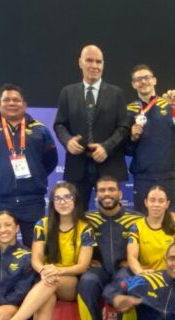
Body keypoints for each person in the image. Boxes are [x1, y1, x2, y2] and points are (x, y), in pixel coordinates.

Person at [0, 182, 97, 320]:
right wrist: (44, 270)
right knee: (45, 299)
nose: (63, 202)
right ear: (52, 202)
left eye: (67, 197)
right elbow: (36, 259)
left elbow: (82, 265)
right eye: (58, 198)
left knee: (51, 282)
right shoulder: (42, 224)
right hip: (48, 279)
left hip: (71, 281)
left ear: (75, 200)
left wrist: (56, 270)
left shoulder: (85, 227)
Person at [0, 84, 58, 247]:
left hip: (32, 202)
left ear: (24, 104)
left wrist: (35, 176)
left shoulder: (40, 129)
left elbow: (50, 161)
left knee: (36, 250)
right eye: (7, 100)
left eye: (16, 100)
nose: (12, 103)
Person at [54, 45, 130, 209]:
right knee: (75, 213)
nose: (94, 66)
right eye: (89, 60)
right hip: (77, 166)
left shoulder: (116, 93)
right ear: (80, 63)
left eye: (98, 62)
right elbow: (59, 124)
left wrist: (106, 147)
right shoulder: (67, 92)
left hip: (109, 164)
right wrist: (68, 141)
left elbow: (124, 127)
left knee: (111, 214)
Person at [85, 176, 142, 320]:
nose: (107, 194)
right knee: (87, 282)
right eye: (102, 190)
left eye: (111, 189)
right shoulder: (87, 220)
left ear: (120, 193)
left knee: (128, 282)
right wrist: (85, 260)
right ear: (96, 195)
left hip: (123, 271)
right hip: (99, 272)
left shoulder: (136, 219)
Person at [125, 64, 175, 217]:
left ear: (154, 80)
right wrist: (132, 138)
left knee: (174, 222)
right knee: (143, 222)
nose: (143, 82)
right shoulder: (129, 110)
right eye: (138, 79)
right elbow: (126, 150)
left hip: (170, 176)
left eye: (146, 77)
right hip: (143, 177)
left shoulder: (171, 107)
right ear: (133, 84)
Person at [127, 185, 175, 275]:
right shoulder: (136, 228)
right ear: (146, 202)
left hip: (171, 275)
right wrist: (140, 272)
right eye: (152, 200)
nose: (156, 205)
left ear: (167, 204)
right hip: (146, 275)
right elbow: (132, 256)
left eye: (161, 201)